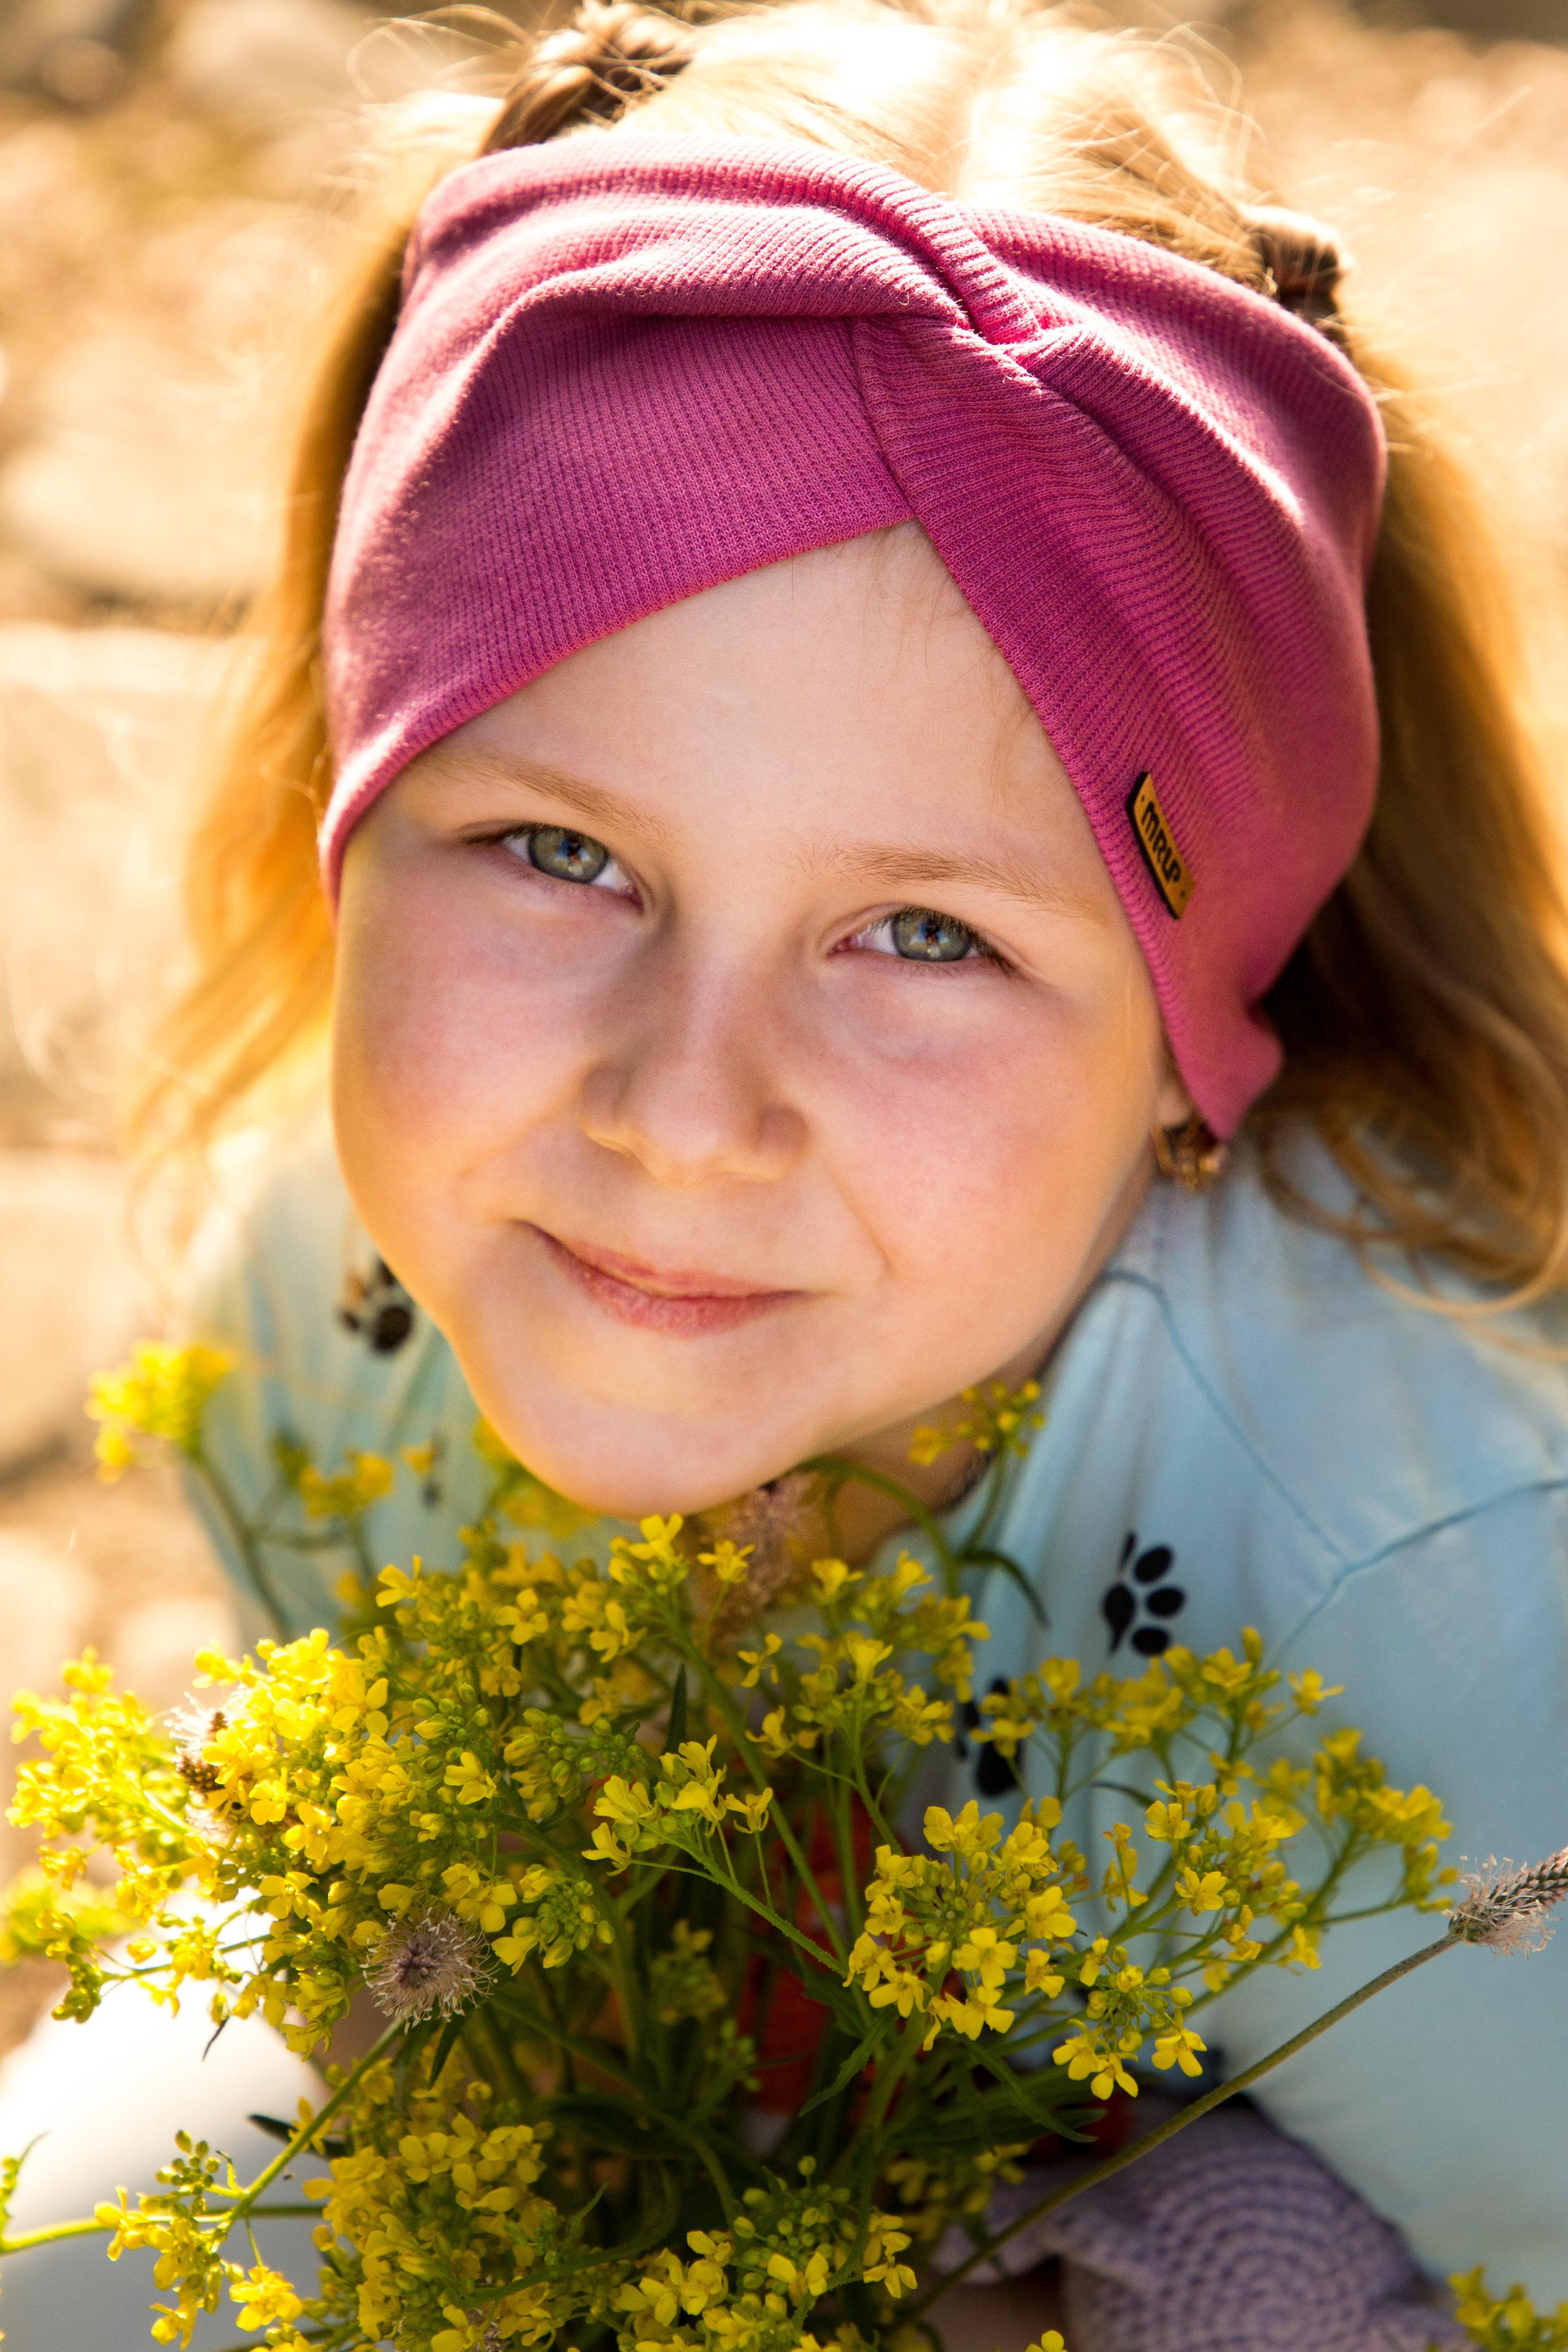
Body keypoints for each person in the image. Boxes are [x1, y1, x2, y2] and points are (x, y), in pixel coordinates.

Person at [6, 1, 1568, 2343]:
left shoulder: (1433, 1612)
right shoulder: (331, 1308)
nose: (680, 1112)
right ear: (349, 820)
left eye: (923, 934)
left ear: (1193, 1036)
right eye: (555, 850)